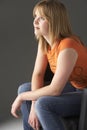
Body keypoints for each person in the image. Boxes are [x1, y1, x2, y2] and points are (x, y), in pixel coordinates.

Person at [11, 0, 87, 130]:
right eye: (35, 17)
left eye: (41, 18)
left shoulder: (68, 45)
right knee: (25, 88)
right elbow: (38, 74)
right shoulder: (45, 44)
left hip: (85, 93)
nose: (35, 22)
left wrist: (22, 97)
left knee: (43, 104)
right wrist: (33, 104)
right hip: (74, 87)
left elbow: (55, 89)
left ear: (54, 21)